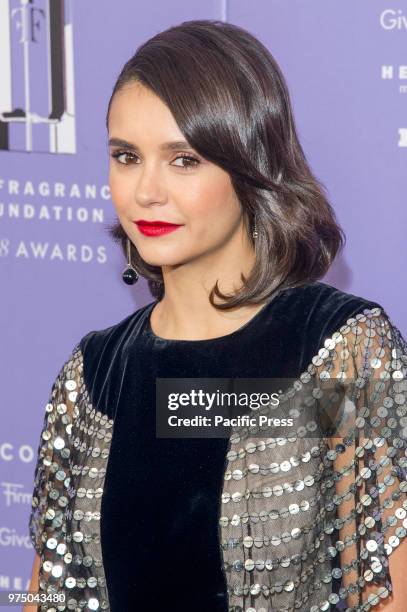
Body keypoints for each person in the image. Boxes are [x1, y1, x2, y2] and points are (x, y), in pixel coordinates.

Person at [26, 19, 407, 612]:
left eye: (184, 160)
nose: (146, 191)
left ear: (250, 163)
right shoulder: (96, 377)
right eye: (126, 156)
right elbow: (51, 598)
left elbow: (386, 593)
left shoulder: (337, 354)